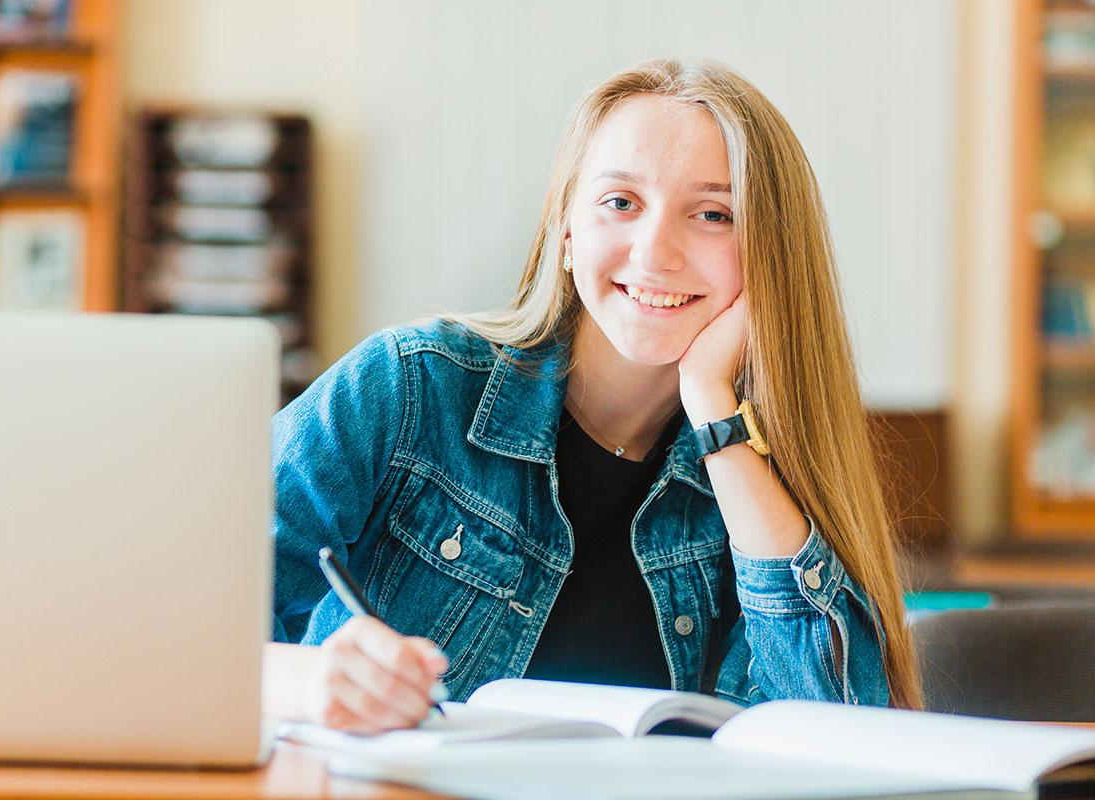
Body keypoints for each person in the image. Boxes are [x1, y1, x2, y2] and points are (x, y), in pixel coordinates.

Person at [264, 58, 922, 734]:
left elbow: (835, 734)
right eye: (621, 203)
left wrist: (714, 410)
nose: (656, 251)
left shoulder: (771, 470)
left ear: (771, 254)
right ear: (568, 230)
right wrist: (312, 681)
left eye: (714, 214)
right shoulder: (409, 387)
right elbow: (172, 621)